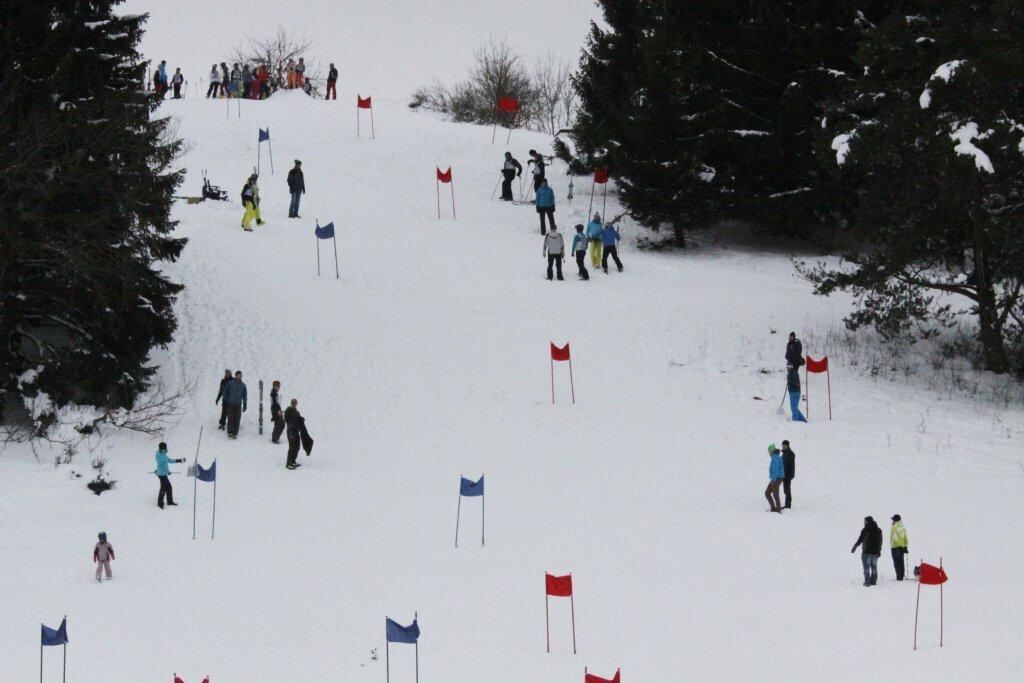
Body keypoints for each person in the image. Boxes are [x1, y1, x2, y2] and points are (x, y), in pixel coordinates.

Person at [851, 516, 884, 586]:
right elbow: (880, 541)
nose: (864, 522)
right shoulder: (879, 530)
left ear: (867, 521)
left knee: (866, 567)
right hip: (875, 552)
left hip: (866, 552)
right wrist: (879, 550)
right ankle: (873, 581)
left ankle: (867, 582)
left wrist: (855, 546)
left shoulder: (865, 530)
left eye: (864, 521)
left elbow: (860, 539)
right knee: (874, 567)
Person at [154, 441, 185, 508]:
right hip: (161, 474)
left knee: (168, 487)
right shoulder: (160, 456)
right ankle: (160, 504)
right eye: (165, 448)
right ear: (162, 448)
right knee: (163, 488)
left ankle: (170, 501)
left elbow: (169, 460)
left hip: (163, 473)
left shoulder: (162, 454)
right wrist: (167, 471)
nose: (166, 449)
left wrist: (178, 460)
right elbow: (163, 463)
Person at [222, 371, 247, 438]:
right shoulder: (230, 383)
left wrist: (245, 404)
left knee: (237, 418)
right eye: (239, 375)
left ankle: (235, 433)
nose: (240, 376)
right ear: (236, 375)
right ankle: (230, 432)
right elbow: (225, 392)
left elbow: (244, 395)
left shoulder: (243, 385)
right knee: (231, 418)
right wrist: (227, 399)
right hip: (230, 403)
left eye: (241, 375)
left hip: (238, 404)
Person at [764, 443, 785, 513]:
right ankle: (774, 508)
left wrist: (773, 479)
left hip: (776, 478)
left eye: (769, 451)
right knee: (768, 493)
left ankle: (778, 510)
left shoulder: (775, 458)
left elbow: (776, 470)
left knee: (774, 494)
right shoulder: (775, 457)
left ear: (772, 451)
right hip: (776, 478)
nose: (768, 453)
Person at [284, 399, 303, 469]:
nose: (294, 405)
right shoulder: (288, 411)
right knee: (292, 446)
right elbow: (286, 420)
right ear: (291, 404)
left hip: (296, 431)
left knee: (297, 447)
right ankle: (289, 462)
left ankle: (293, 460)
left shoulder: (297, 412)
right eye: (293, 404)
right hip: (291, 431)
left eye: (295, 404)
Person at [889, 515, 909, 581]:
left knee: (896, 563)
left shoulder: (894, 527)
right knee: (901, 562)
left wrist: (898, 546)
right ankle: (902, 576)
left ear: (895, 520)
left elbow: (895, 538)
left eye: (893, 520)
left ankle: (899, 577)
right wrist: (905, 547)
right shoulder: (903, 527)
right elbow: (905, 538)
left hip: (895, 547)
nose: (892, 521)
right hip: (902, 547)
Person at [781, 440, 796, 508]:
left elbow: (790, 465)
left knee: (787, 490)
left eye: (784, 445)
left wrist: (790, 475)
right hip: (784, 474)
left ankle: (788, 505)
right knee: (785, 490)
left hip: (788, 475)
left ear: (787, 445)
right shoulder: (784, 453)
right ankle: (787, 504)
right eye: (782, 445)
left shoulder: (791, 454)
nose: (783, 446)